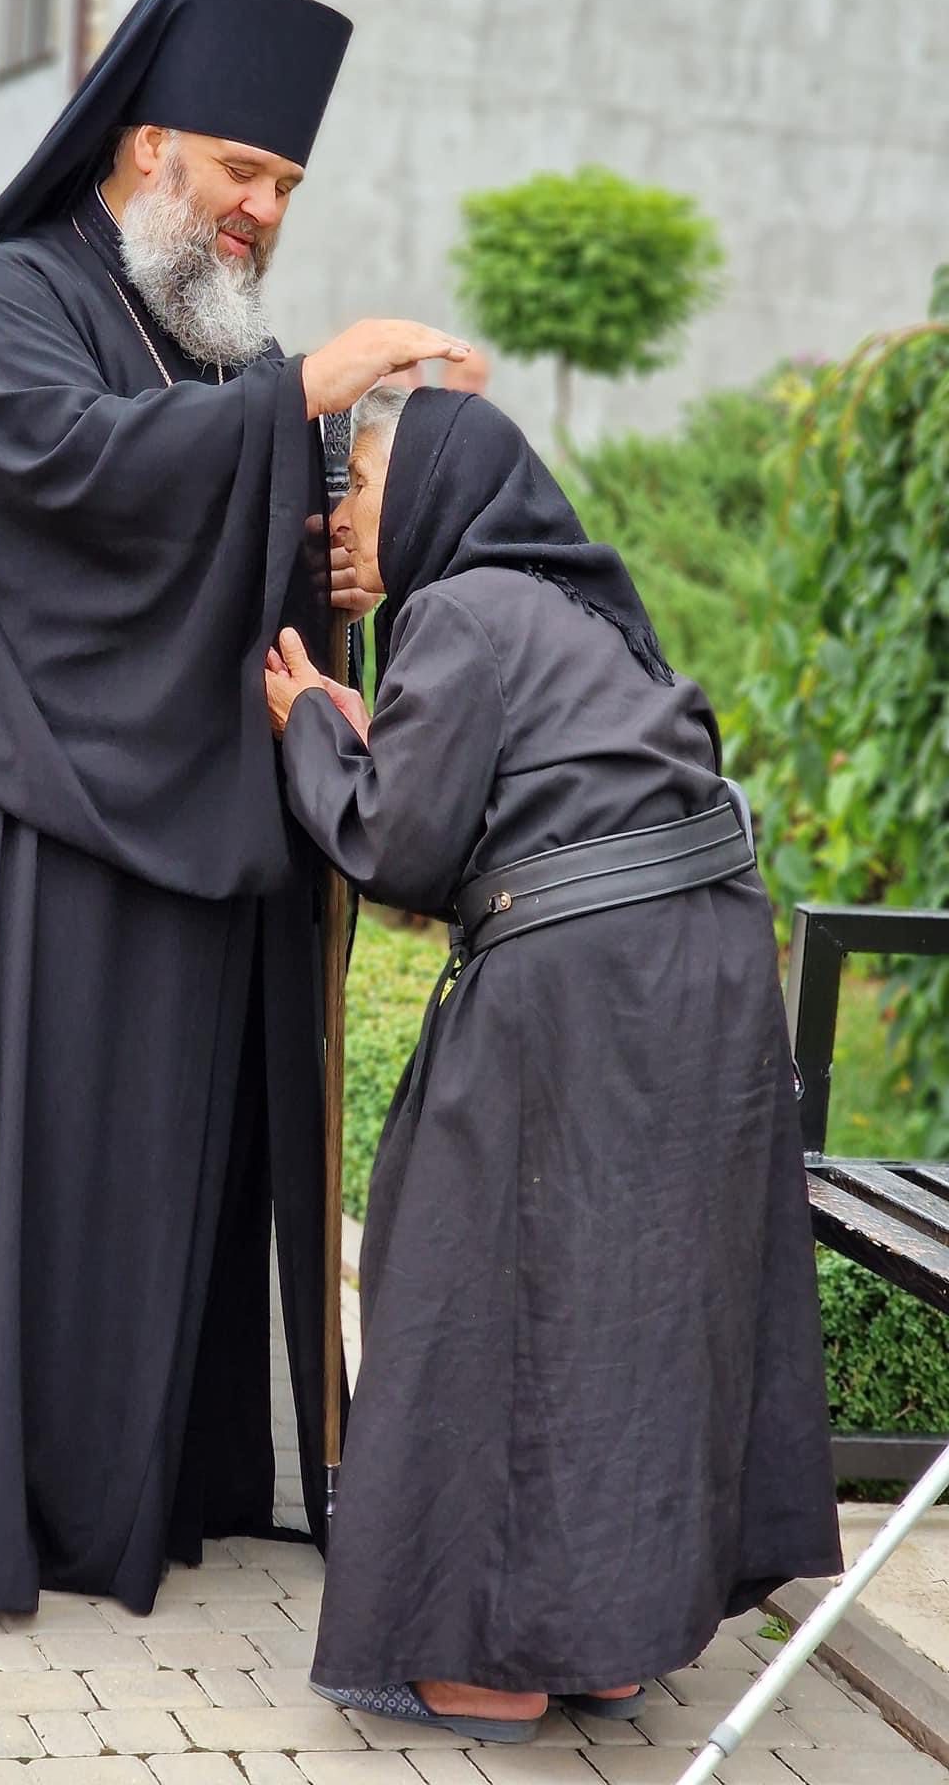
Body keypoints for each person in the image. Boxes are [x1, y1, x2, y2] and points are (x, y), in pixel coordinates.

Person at [0, 0, 473, 1616]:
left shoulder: (207, 351)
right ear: (147, 147)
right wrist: (296, 396)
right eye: (240, 170)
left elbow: (221, 539)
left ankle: (120, 1483)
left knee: (130, 1200)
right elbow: (67, 476)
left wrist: (344, 525)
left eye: (285, 186)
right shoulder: (5, 298)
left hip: (151, 834)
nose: (262, 210)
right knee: (11, 1190)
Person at [263, 384, 841, 1743]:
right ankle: (614, 1644)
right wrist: (380, 732)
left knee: (478, 1278)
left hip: (582, 985)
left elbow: (402, 846)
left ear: (436, 490)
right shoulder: (594, 615)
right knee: (635, 1298)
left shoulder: (458, 611)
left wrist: (312, 729)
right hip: (706, 973)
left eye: (364, 487)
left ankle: (490, 1662)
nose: (343, 517)